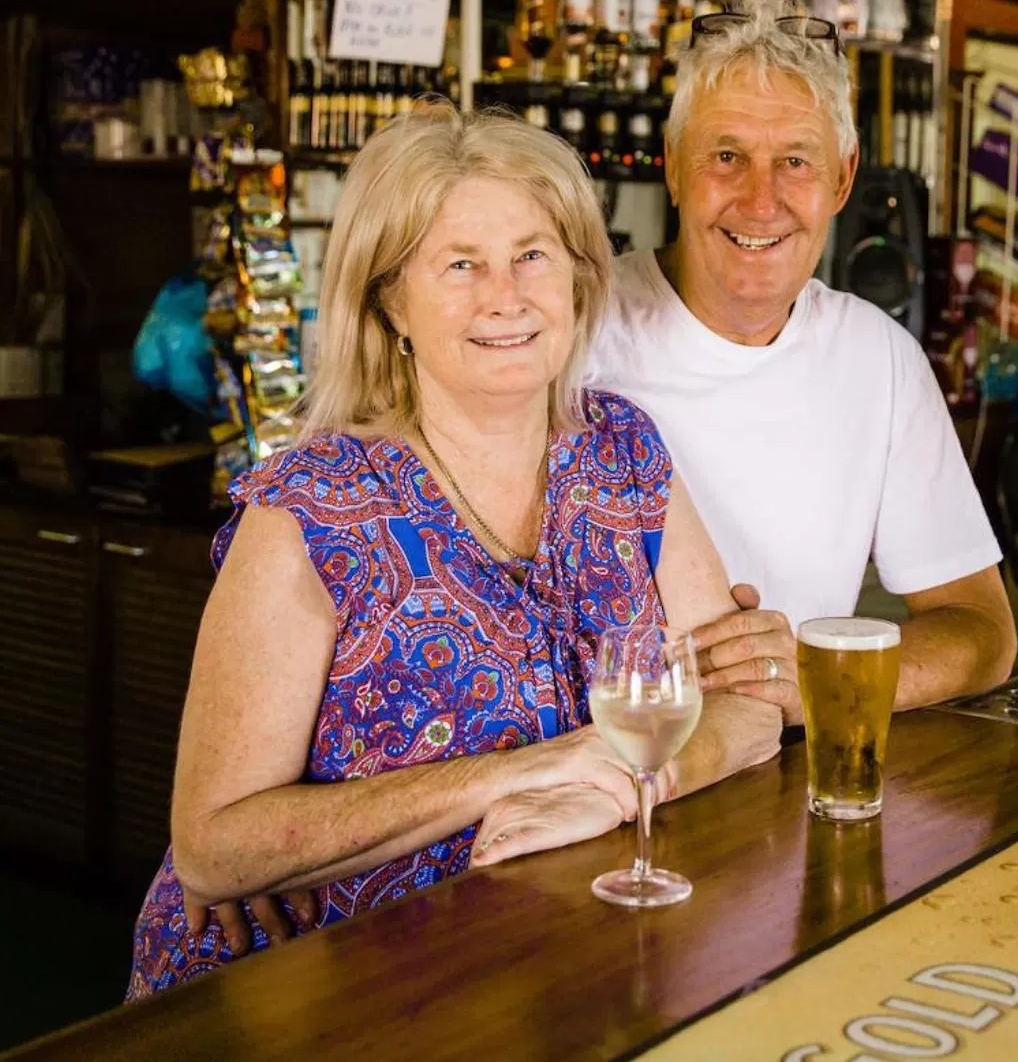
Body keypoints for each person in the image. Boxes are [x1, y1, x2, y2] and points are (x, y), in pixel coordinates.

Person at [126, 107, 781, 996]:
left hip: (553, 967)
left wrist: (617, 786)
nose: (506, 295)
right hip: (319, 995)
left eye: (533, 254)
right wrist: (520, 774)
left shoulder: (624, 453)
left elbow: (751, 712)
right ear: (390, 299)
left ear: (580, 278)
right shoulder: (312, 505)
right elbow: (213, 847)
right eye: (461, 263)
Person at [586, 0, 1018, 726]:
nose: (761, 201)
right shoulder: (572, 334)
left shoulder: (880, 360)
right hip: (602, 767)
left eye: (795, 161)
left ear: (842, 180)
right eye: (726, 156)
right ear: (673, 167)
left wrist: (815, 677)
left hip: (778, 780)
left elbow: (982, 632)